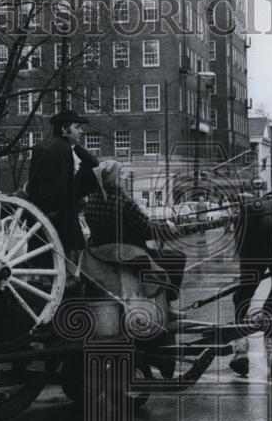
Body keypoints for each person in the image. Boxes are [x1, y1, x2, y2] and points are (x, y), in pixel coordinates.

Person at [82, 160, 186, 302]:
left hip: (101, 250)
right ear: (114, 179)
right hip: (128, 253)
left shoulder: (91, 201)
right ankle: (168, 303)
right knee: (177, 258)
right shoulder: (124, 201)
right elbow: (145, 230)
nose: (124, 178)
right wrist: (168, 229)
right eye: (121, 175)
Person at [26, 110, 100, 255]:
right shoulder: (59, 148)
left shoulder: (53, 145)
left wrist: (76, 146)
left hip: (48, 215)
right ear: (65, 129)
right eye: (77, 127)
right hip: (59, 219)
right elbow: (55, 187)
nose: (81, 131)